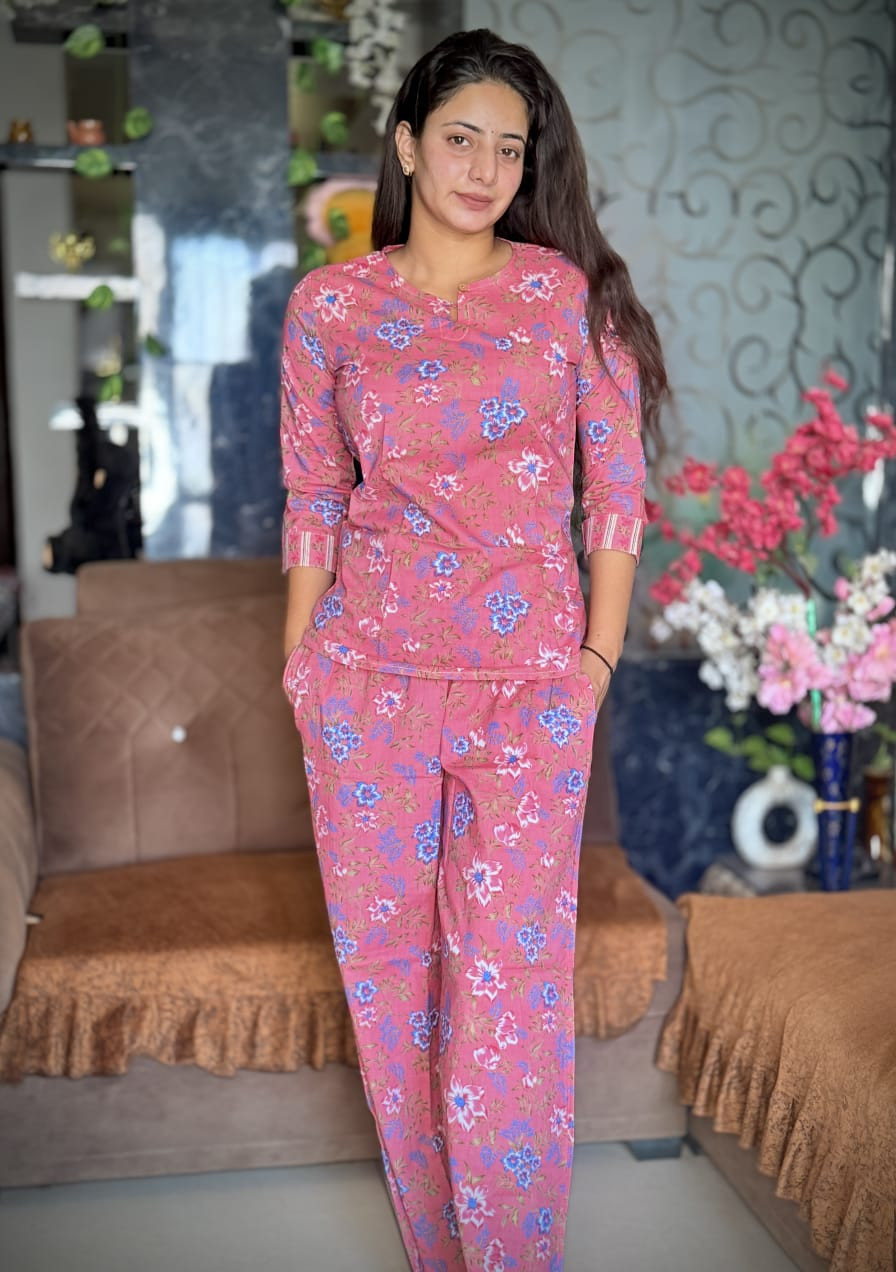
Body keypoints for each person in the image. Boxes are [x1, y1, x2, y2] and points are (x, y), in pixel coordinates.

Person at [279, 27, 666, 1272]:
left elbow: (617, 492)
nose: (485, 169)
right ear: (406, 145)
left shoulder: (566, 298)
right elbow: (311, 494)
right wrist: (301, 668)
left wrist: (593, 667)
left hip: (528, 695)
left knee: (505, 1005)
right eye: (461, 139)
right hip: (364, 689)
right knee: (392, 996)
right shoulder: (331, 306)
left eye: (509, 148)